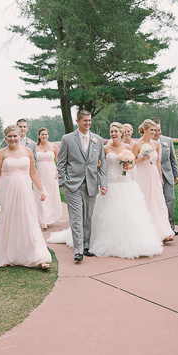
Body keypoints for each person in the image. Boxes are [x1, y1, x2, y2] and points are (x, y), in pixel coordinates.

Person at [50, 123, 163, 259]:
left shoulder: (128, 147)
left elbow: (132, 164)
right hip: (109, 184)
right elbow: (98, 163)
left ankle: (129, 243)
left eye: (116, 131)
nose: (113, 133)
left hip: (125, 184)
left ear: (121, 133)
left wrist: (129, 164)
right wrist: (97, 165)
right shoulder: (104, 148)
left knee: (130, 215)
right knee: (107, 215)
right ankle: (88, 242)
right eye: (111, 131)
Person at [0, 125, 51, 269]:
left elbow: (33, 173)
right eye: (9, 136)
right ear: (6, 137)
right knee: (7, 222)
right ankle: (5, 256)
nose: (12, 139)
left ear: (20, 137)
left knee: (29, 220)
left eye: (15, 136)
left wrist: (41, 190)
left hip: (25, 191)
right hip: (6, 191)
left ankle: (38, 257)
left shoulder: (28, 151)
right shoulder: (0, 153)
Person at [56, 109, 108, 262]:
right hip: (72, 185)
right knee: (76, 217)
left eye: (90, 120)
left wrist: (103, 183)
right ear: (77, 121)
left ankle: (86, 246)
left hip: (91, 184)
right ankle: (78, 250)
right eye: (85, 120)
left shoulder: (97, 139)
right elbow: (61, 162)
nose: (88, 123)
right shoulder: (67, 139)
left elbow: (102, 163)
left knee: (87, 217)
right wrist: (63, 181)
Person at [132, 119, 174, 242]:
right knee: (146, 202)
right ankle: (145, 232)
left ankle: (163, 232)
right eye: (152, 130)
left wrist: (160, 177)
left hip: (154, 175)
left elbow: (157, 163)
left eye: (155, 130)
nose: (154, 132)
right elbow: (132, 162)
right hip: (143, 175)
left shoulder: (156, 144)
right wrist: (143, 158)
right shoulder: (137, 144)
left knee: (159, 202)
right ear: (144, 130)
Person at [152, 118, 178, 236]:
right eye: (155, 130)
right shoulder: (147, 143)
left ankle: (170, 227)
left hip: (168, 175)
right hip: (154, 176)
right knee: (157, 202)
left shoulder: (167, 140)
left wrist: (176, 174)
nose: (158, 132)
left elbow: (173, 159)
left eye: (159, 130)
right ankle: (158, 228)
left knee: (170, 199)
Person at [35, 127, 62, 230]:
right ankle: (44, 221)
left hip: (51, 174)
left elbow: (60, 160)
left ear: (48, 135)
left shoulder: (53, 146)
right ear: (39, 136)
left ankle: (49, 218)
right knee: (41, 196)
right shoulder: (35, 147)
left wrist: (58, 171)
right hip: (39, 174)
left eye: (45, 134)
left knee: (50, 196)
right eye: (42, 134)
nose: (44, 136)